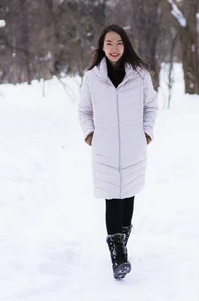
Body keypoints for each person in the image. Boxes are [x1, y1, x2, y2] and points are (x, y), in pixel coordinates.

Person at [78, 24, 158, 280]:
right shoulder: (92, 78)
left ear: (126, 46)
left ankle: (122, 240)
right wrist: (90, 134)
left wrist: (146, 133)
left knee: (128, 197)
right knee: (112, 197)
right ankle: (118, 253)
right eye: (109, 43)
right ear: (102, 47)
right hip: (105, 148)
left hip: (134, 146)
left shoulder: (141, 75)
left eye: (119, 43)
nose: (114, 48)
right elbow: (84, 110)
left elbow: (151, 107)